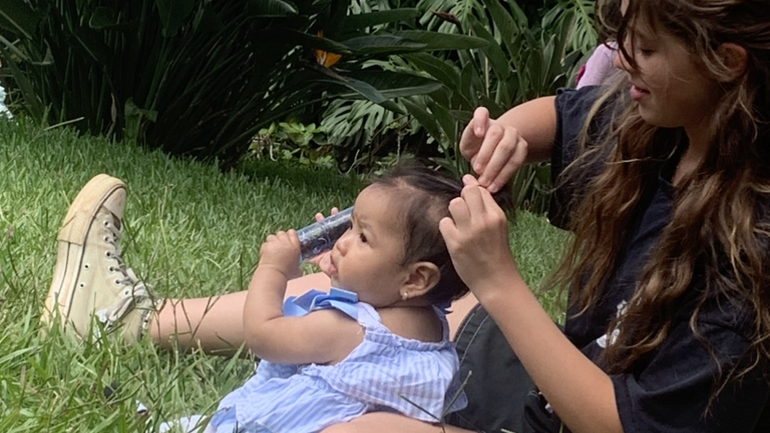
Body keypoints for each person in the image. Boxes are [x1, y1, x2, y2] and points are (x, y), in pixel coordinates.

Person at [42, 0, 770, 431]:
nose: (622, 62)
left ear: (728, 61)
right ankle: (127, 321)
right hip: (553, 383)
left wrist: (498, 282)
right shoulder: (664, 128)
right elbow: (565, 114)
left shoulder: (752, 254)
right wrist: (508, 136)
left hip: (586, 414)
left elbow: (623, 423)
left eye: (647, 48)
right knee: (361, 289)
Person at [45, 164, 477, 432]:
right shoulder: (432, 328)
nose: (343, 242)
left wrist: (272, 270)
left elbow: (264, 335)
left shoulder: (347, 330)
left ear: (416, 279)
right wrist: (346, 271)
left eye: (363, 237)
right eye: (349, 227)